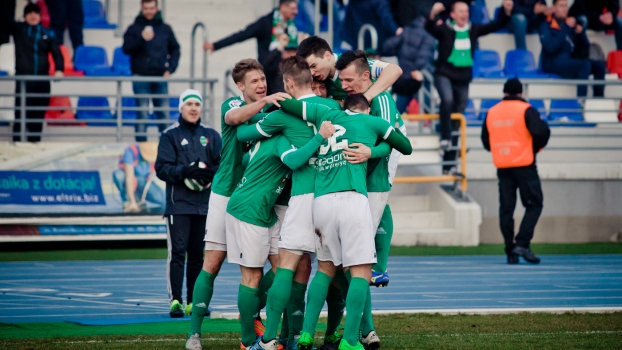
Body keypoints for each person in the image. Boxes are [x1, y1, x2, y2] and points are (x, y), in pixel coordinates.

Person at [279, 93, 412, 350]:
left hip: (322, 203)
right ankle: (350, 341)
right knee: (360, 271)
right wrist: (373, 150)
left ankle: (306, 333)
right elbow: (405, 146)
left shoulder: (325, 114)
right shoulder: (373, 121)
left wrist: (277, 96)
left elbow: (288, 104)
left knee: (326, 269)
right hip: (352, 199)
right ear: (365, 109)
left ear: (344, 106)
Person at [235, 56, 342, 350]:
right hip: (336, 194)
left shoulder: (283, 113)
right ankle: (335, 334)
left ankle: (269, 338)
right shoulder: (332, 106)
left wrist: (265, 111)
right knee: (335, 269)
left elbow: (242, 132)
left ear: (289, 84)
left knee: (287, 265)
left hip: (304, 194)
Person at [185, 59, 290, 350]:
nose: (261, 84)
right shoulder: (232, 105)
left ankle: (253, 311)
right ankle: (194, 333)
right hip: (226, 193)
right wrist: (266, 102)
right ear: (240, 86)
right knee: (213, 262)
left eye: (263, 79)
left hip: (259, 197)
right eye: (254, 81)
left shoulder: (272, 109)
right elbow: (234, 120)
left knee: (282, 266)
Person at [154, 89, 221, 318]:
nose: (193, 108)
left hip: (204, 205)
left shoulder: (211, 135)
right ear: (181, 108)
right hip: (178, 205)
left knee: (197, 254)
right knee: (178, 252)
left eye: (197, 104)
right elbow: (161, 169)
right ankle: (175, 301)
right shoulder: (169, 136)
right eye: (189, 104)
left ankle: (193, 301)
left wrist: (209, 174)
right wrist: (185, 171)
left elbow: (222, 166)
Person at [426, 0, 513, 174]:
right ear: (452, 14)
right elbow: (429, 27)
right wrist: (433, 14)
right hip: (444, 74)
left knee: (457, 119)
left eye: (466, 11)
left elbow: (496, 25)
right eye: (460, 11)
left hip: (463, 78)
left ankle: (448, 164)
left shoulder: (473, 30)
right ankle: (444, 136)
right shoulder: (445, 29)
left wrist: (506, 11)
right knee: (447, 100)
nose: (464, 14)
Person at [480, 78, 550, 265]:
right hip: (524, 164)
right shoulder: (526, 109)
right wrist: (534, 148)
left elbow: (486, 141)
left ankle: (510, 250)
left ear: (504, 92)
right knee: (535, 203)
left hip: (502, 166)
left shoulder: (492, 112)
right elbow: (542, 132)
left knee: (506, 209)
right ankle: (522, 243)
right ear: (520, 93)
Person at [203, 0, 300, 95]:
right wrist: (215, 45)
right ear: (283, 7)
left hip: (281, 74)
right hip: (266, 72)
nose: (296, 12)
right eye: (293, 8)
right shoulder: (265, 23)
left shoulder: (291, 26)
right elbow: (242, 35)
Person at [1, 3, 64, 142]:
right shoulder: (19, 29)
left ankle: (34, 145)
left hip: (42, 83)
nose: (33, 16)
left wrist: (59, 69)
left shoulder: (48, 33)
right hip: (24, 83)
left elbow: (57, 54)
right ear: (24, 16)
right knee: (21, 116)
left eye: (36, 13)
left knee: (37, 117)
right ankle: (17, 146)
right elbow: (5, 18)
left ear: (41, 16)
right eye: (29, 13)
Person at [122, 0, 180, 142]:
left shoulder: (165, 28)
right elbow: (126, 49)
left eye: (151, 8)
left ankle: (166, 149)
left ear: (156, 8)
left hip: (160, 77)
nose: (149, 11)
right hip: (140, 77)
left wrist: (170, 69)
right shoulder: (134, 28)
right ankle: (141, 149)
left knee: (163, 115)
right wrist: (141, 38)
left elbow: (176, 49)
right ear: (141, 8)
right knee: (142, 114)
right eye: (146, 8)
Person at [296, 36, 403, 102]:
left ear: (327, 56)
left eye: (314, 66)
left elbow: (394, 70)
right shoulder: (316, 77)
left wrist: (364, 98)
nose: (312, 73)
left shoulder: (350, 63)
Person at [539, 0, 605, 97]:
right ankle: (581, 102)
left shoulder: (570, 24)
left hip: (569, 61)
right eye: (561, 6)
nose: (565, 9)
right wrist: (565, 28)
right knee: (584, 65)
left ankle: (599, 101)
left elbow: (586, 48)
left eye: (566, 6)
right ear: (553, 8)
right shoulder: (545, 25)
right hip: (552, 62)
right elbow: (551, 47)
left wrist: (581, 33)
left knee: (599, 66)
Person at [383, 15, 436, 113]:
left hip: (404, 78)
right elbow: (423, 60)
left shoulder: (405, 32)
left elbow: (387, 47)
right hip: (419, 79)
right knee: (430, 110)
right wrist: (425, 73)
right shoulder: (429, 38)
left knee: (396, 113)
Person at [112, 142, 165, 213]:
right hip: (131, 180)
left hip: (143, 182)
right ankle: (128, 201)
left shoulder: (155, 151)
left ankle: (139, 199)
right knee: (118, 175)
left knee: (164, 199)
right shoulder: (131, 151)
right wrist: (132, 201)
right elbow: (129, 178)